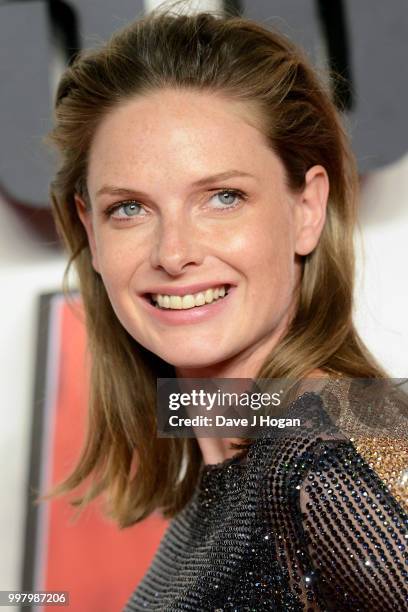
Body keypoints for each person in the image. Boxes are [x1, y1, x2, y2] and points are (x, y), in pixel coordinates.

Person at [45, 6, 408, 611]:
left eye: (223, 197)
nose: (174, 253)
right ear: (91, 231)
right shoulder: (244, 453)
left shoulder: (328, 461)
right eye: (129, 208)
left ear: (307, 209)